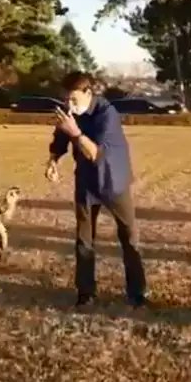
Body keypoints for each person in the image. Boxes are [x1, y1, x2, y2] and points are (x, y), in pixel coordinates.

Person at [45, 71, 148, 309]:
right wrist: (52, 160)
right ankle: (85, 292)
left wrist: (75, 132)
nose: (69, 105)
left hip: (113, 179)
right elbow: (60, 138)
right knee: (84, 239)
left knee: (128, 235)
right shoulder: (70, 114)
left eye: (73, 100)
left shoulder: (107, 114)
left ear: (88, 93)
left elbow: (94, 154)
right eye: (65, 100)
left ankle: (137, 293)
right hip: (86, 181)